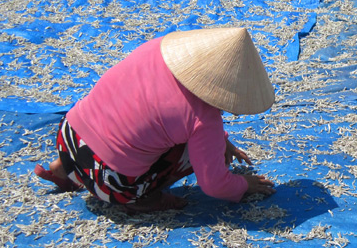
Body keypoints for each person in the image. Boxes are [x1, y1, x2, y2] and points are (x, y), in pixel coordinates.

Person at [35, 27, 276, 212]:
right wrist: (245, 184)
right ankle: (143, 199)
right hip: (110, 182)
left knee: (146, 127)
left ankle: (63, 168)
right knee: (191, 155)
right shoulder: (204, 119)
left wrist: (221, 140)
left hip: (68, 137)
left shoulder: (157, 48)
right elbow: (214, 185)